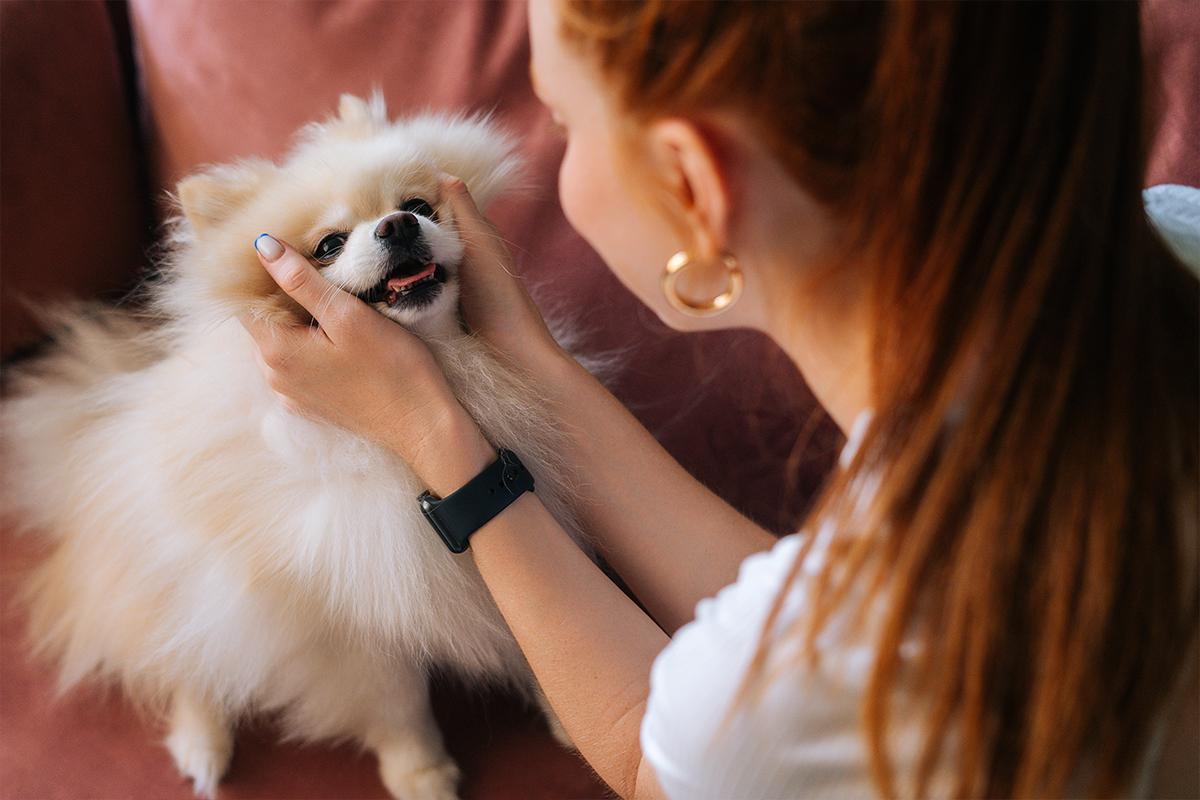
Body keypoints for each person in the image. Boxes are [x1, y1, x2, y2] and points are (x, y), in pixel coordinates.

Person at [240, 0, 1199, 797]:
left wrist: (432, 434)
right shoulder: (1168, 243)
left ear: (693, 184)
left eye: (566, 127)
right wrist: (530, 368)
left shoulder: (819, 677)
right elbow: (823, 628)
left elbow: (649, 744)